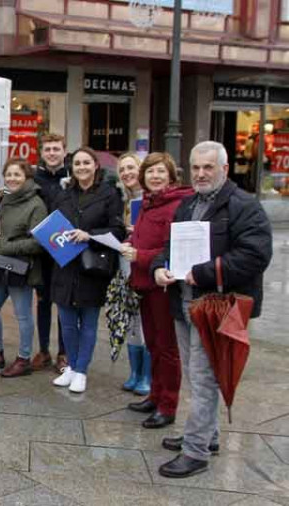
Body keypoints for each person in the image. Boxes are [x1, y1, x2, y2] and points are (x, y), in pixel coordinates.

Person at [152, 141, 272, 478]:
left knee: (204, 379)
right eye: (196, 168)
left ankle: (195, 452)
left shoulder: (244, 205)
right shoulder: (187, 204)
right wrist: (159, 268)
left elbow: (256, 255)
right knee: (194, 375)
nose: (201, 174)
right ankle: (208, 435)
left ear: (224, 169)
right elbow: (169, 247)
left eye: (208, 167)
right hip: (185, 303)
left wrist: (203, 272)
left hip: (219, 307)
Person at [119, 152, 193, 429]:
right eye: (150, 172)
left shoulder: (176, 205)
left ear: (171, 176)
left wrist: (141, 256)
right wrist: (131, 240)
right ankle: (155, 394)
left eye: (161, 172)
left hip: (163, 285)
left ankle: (168, 405)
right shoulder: (149, 203)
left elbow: (170, 249)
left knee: (166, 347)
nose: (155, 176)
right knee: (153, 344)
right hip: (144, 283)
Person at [50, 147, 126, 393]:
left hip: (92, 266)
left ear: (95, 166)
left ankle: (81, 370)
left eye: (86, 163)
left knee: (89, 323)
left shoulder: (109, 194)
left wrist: (89, 235)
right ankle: (70, 366)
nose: (81, 167)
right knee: (67, 322)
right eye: (77, 163)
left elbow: (118, 230)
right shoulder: (62, 194)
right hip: (64, 265)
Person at [0, 158, 48, 377]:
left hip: (22, 268)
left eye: (17, 174)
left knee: (22, 315)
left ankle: (24, 358)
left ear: (27, 177)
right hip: (1, 266)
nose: (12, 179)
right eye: (8, 175)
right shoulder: (6, 200)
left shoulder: (36, 204)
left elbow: (39, 242)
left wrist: (8, 247)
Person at [31, 133, 69, 372]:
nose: (52, 153)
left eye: (56, 149)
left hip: (66, 247)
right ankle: (44, 350)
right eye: (48, 149)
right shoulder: (34, 177)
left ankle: (64, 353)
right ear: (42, 153)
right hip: (41, 249)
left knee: (64, 303)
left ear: (64, 151)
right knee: (43, 301)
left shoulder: (73, 176)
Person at [116, 152, 151, 396]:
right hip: (125, 267)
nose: (127, 173)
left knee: (147, 322)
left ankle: (147, 376)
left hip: (144, 267)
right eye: (123, 170)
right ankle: (135, 373)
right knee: (131, 322)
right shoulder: (125, 201)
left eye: (131, 168)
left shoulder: (150, 199)